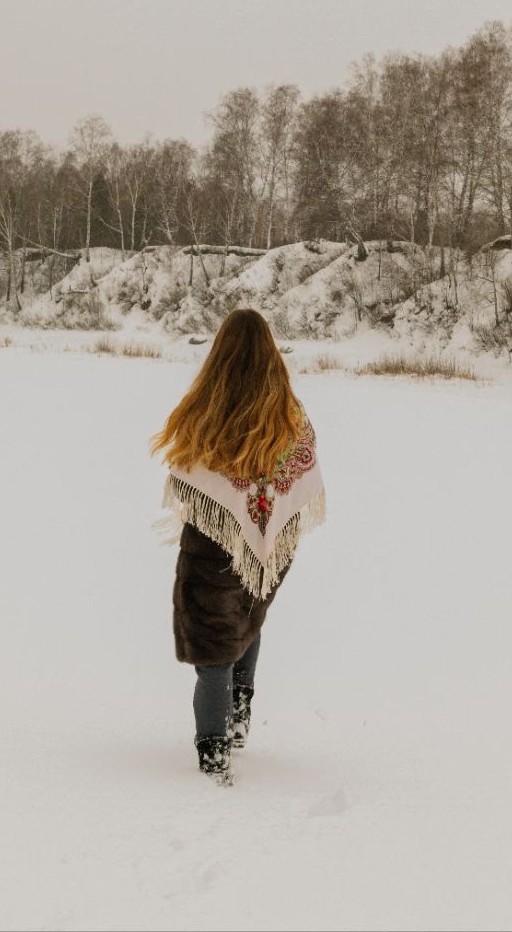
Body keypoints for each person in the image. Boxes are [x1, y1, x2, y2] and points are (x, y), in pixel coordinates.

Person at [151, 308, 325, 786]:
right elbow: (305, 463)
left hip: (212, 540)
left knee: (213, 644)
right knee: (248, 619)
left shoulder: (206, 406)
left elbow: (187, 468)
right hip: (270, 547)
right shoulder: (290, 412)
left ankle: (213, 751)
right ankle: (239, 715)